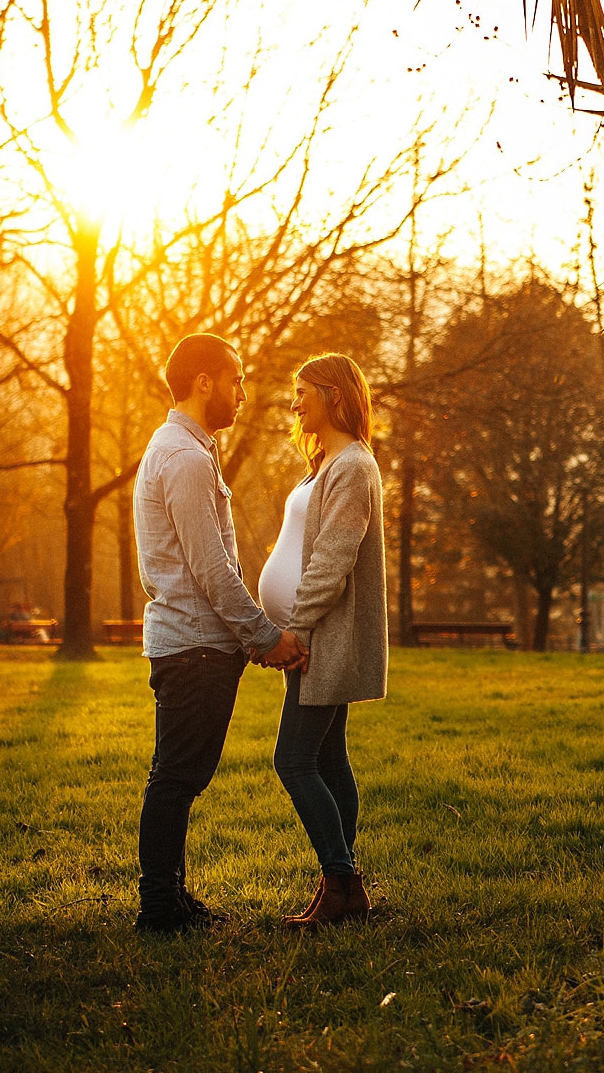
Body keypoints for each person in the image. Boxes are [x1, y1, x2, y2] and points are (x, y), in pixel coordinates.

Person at [132, 333, 309, 934]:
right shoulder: (183, 459)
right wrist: (263, 635)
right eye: (234, 378)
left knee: (182, 775)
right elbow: (211, 569)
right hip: (192, 646)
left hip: (197, 643)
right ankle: (158, 906)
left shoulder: (182, 450)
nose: (242, 391)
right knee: (177, 775)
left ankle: (172, 898)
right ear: (203, 382)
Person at [258, 352, 387, 928]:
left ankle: (342, 882)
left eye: (303, 392)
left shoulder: (353, 466)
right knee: (329, 760)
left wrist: (297, 628)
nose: (293, 403)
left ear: (335, 396)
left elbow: (334, 559)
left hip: (319, 637)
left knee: (294, 760)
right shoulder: (326, 463)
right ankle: (342, 888)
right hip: (308, 636)